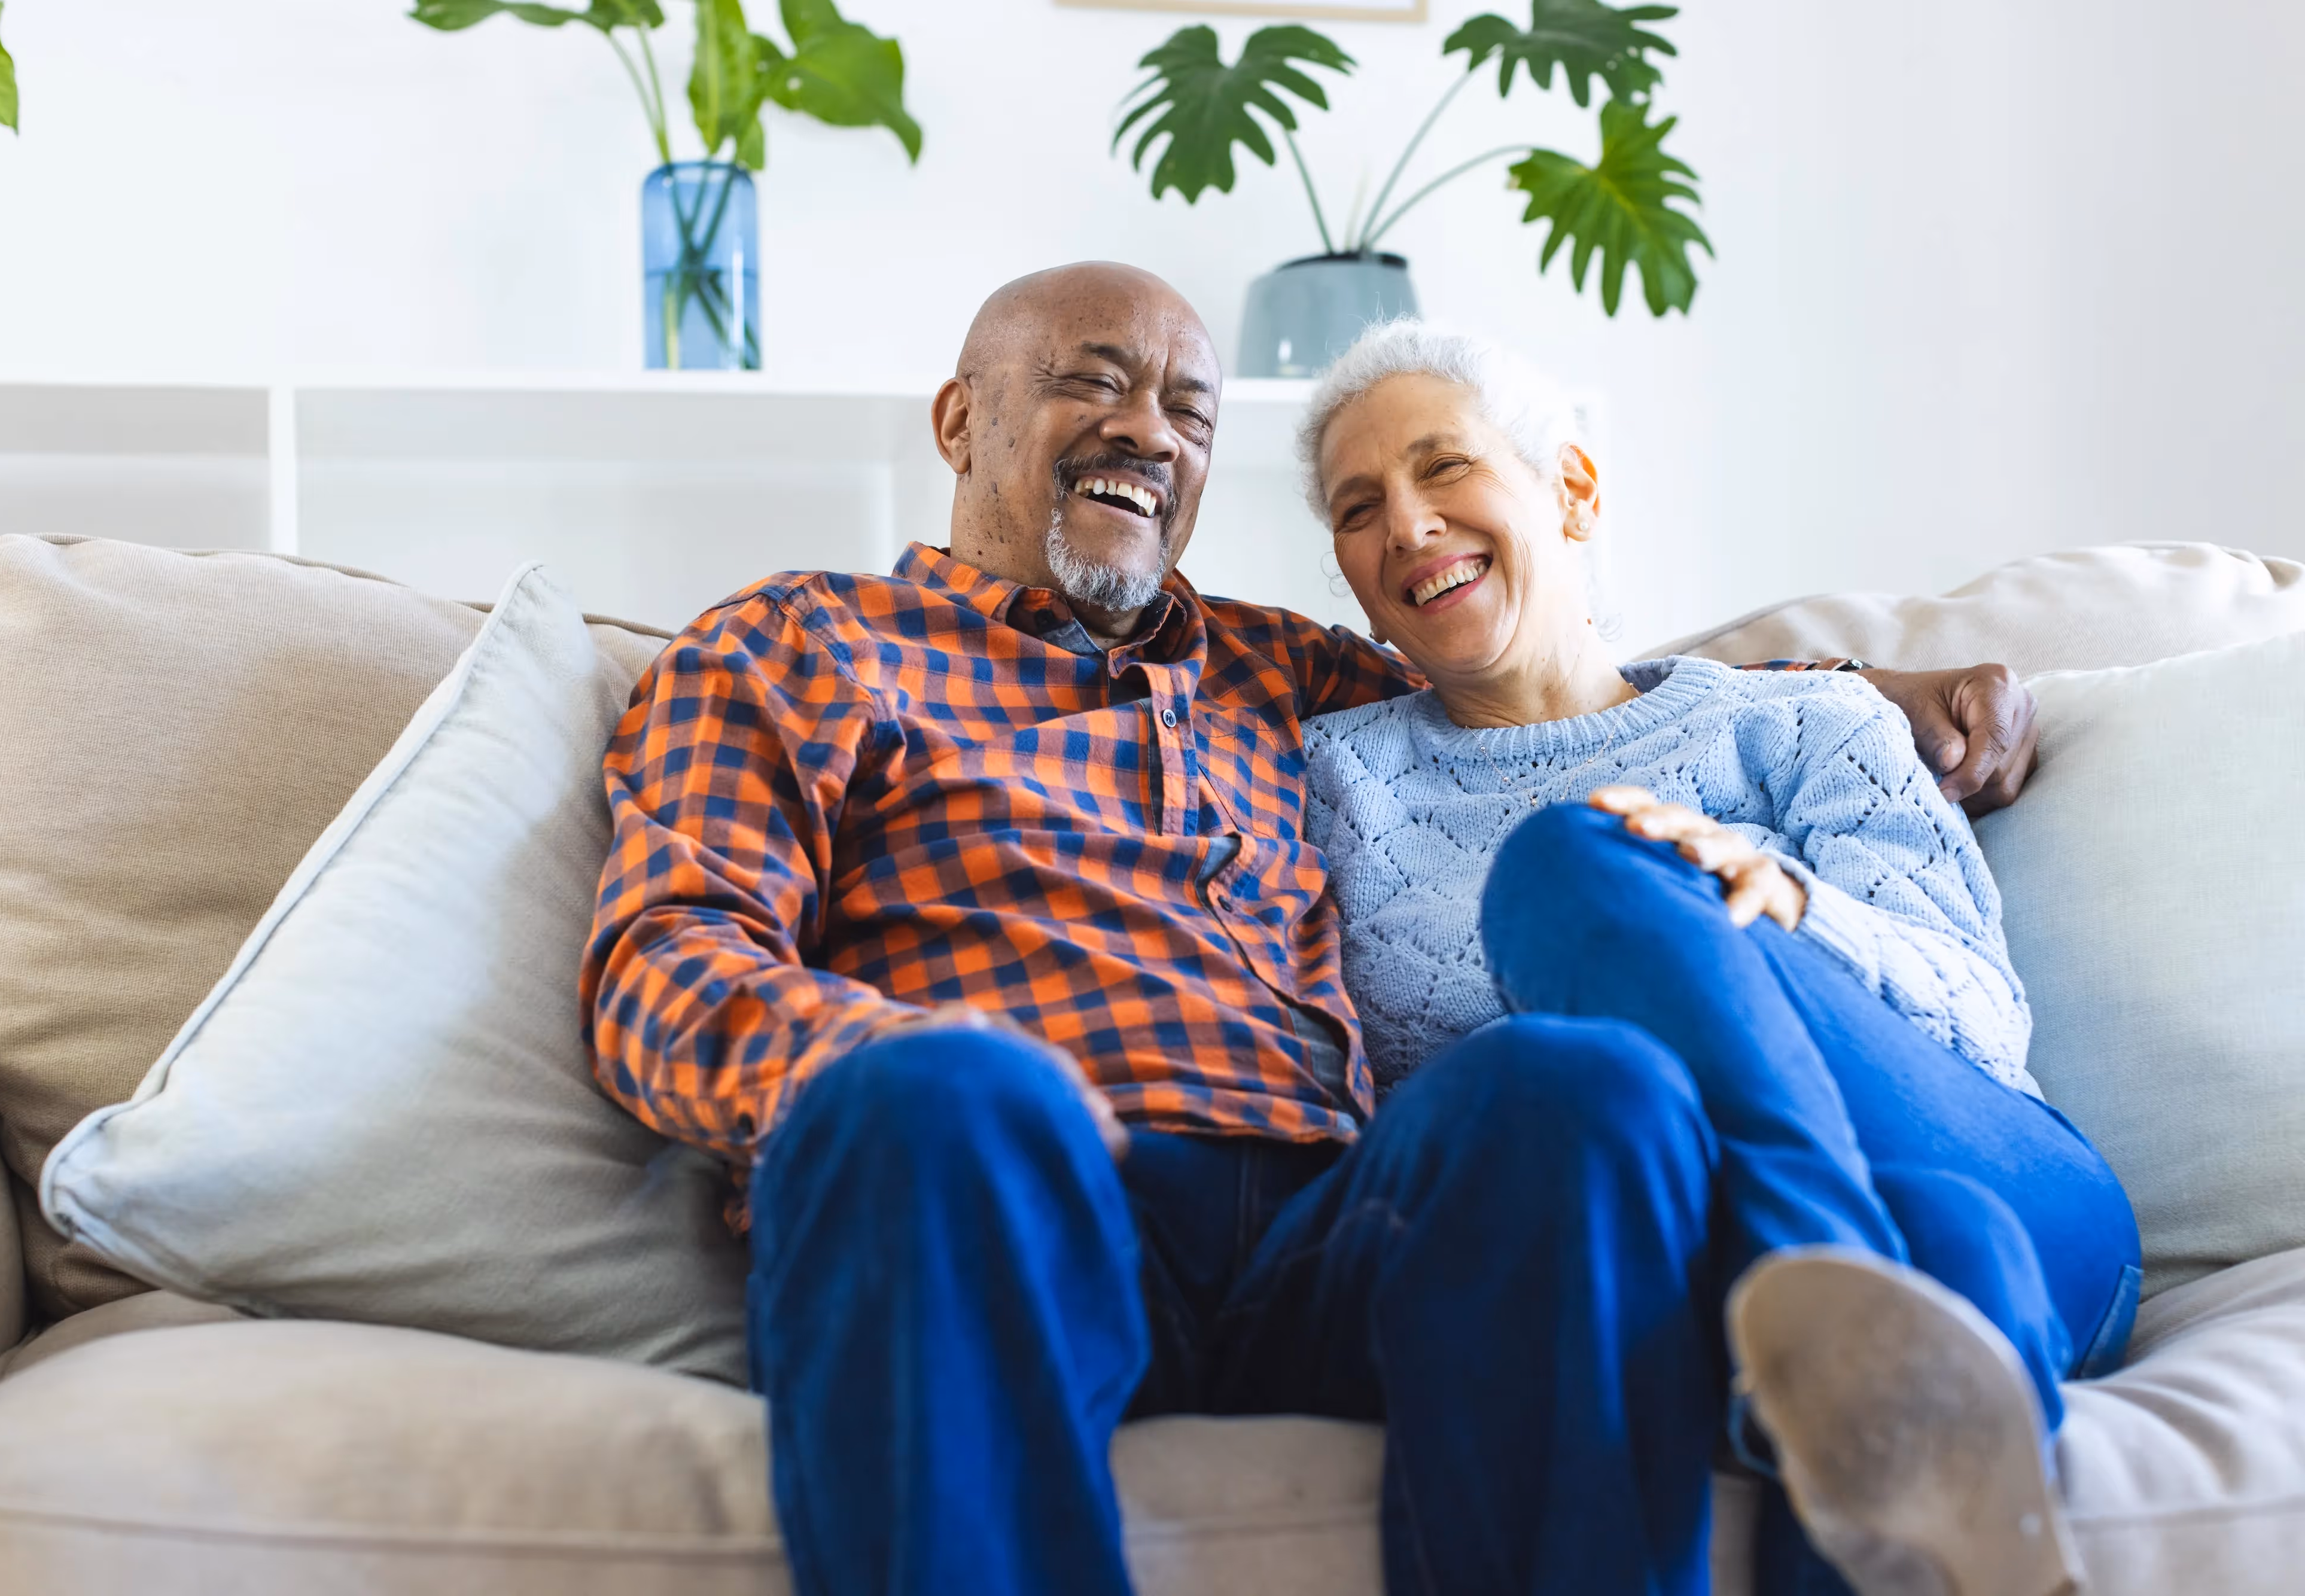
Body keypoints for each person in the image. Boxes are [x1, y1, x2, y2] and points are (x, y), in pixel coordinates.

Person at [579, 261, 2050, 1596]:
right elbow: (667, 960)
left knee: (1575, 1088)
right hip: (1014, 1193)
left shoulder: (1281, 672)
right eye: (1094, 379)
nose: (1146, 431)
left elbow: (1541, 677)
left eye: (1188, 410)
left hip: (1327, 1230)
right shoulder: (797, 640)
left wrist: (1861, 687)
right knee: (933, 1100)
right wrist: (933, 1063)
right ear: (962, 418)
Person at [1299, 319, 2140, 1596]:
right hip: (1710, 1253)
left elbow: (1977, 1022)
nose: (1406, 523)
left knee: (1575, 862)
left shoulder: (1804, 717)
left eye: (1444, 467)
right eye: (1359, 508)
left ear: (1570, 488)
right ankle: (1856, 1329)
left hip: (1990, 1158)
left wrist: (1779, 907)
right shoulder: (1336, 783)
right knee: (1948, 1247)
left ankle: (1825, 1272)